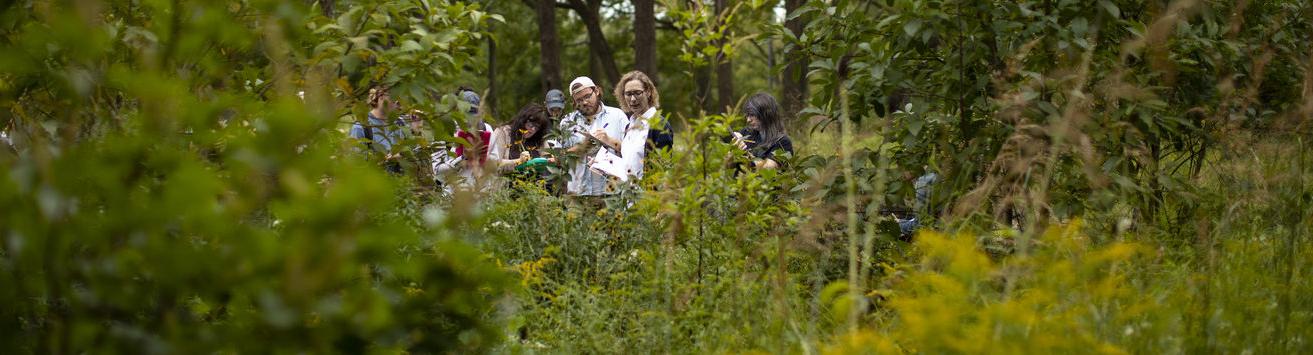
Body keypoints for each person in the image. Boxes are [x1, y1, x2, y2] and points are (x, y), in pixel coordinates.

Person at [558, 76, 628, 196]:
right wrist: (581, 148)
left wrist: (609, 140)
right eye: (579, 100)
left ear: (596, 91)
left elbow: (631, 152)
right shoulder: (567, 122)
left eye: (587, 96)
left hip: (612, 193)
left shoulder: (617, 116)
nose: (584, 102)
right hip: (578, 193)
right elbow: (559, 159)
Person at [612, 70, 669, 180]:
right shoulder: (629, 126)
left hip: (647, 195)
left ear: (648, 92)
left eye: (637, 93)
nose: (633, 99)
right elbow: (629, 164)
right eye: (628, 94)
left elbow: (663, 168)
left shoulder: (659, 124)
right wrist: (604, 164)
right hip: (629, 194)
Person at [432, 87, 494, 188]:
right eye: (466, 114)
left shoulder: (487, 128)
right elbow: (437, 171)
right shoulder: (443, 131)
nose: (469, 120)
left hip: (482, 193)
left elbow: (495, 163)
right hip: (453, 195)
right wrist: (463, 158)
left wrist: (483, 157)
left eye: (474, 114)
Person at [487, 103, 555, 176]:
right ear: (523, 119)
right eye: (531, 124)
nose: (532, 129)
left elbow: (548, 159)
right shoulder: (503, 133)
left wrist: (553, 160)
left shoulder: (538, 137)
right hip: (507, 184)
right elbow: (493, 164)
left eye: (537, 127)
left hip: (536, 185)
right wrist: (518, 162)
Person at [350, 85, 406, 173]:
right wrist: (387, 160)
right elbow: (356, 167)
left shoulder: (400, 123)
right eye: (396, 99)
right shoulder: (361, 128)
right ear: (381, 96)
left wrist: (417, 129)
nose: (399, 105)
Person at [730, 92, 793, 169]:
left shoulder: (782, 142)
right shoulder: (746, 133)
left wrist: (744, 154)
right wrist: (733, 150)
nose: (748, 120)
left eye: (752, 115)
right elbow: (727, 165)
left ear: (766, 114)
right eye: (747, 115)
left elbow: (769, 168)